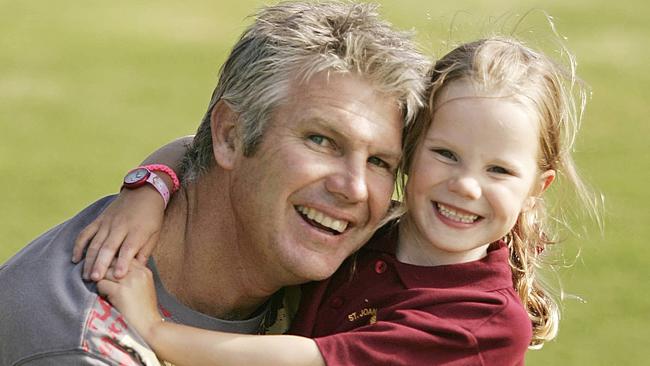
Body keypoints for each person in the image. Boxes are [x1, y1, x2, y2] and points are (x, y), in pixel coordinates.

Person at [82, 36, 600, 365]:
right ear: (410, 153)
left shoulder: (481, 320)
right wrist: (146, 189)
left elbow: (303, 359)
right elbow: (206, 149)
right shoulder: (369, 230)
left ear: (537, 188)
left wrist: (152, 328)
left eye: (499, 170)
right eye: (446, 154)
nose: (466, 185)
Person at [0, 2, 429, 365]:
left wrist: (155, 178)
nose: (354, 188)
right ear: (230, 135)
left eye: (379, 161)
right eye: (321, 140)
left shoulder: (366, 263)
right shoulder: (84, 348)